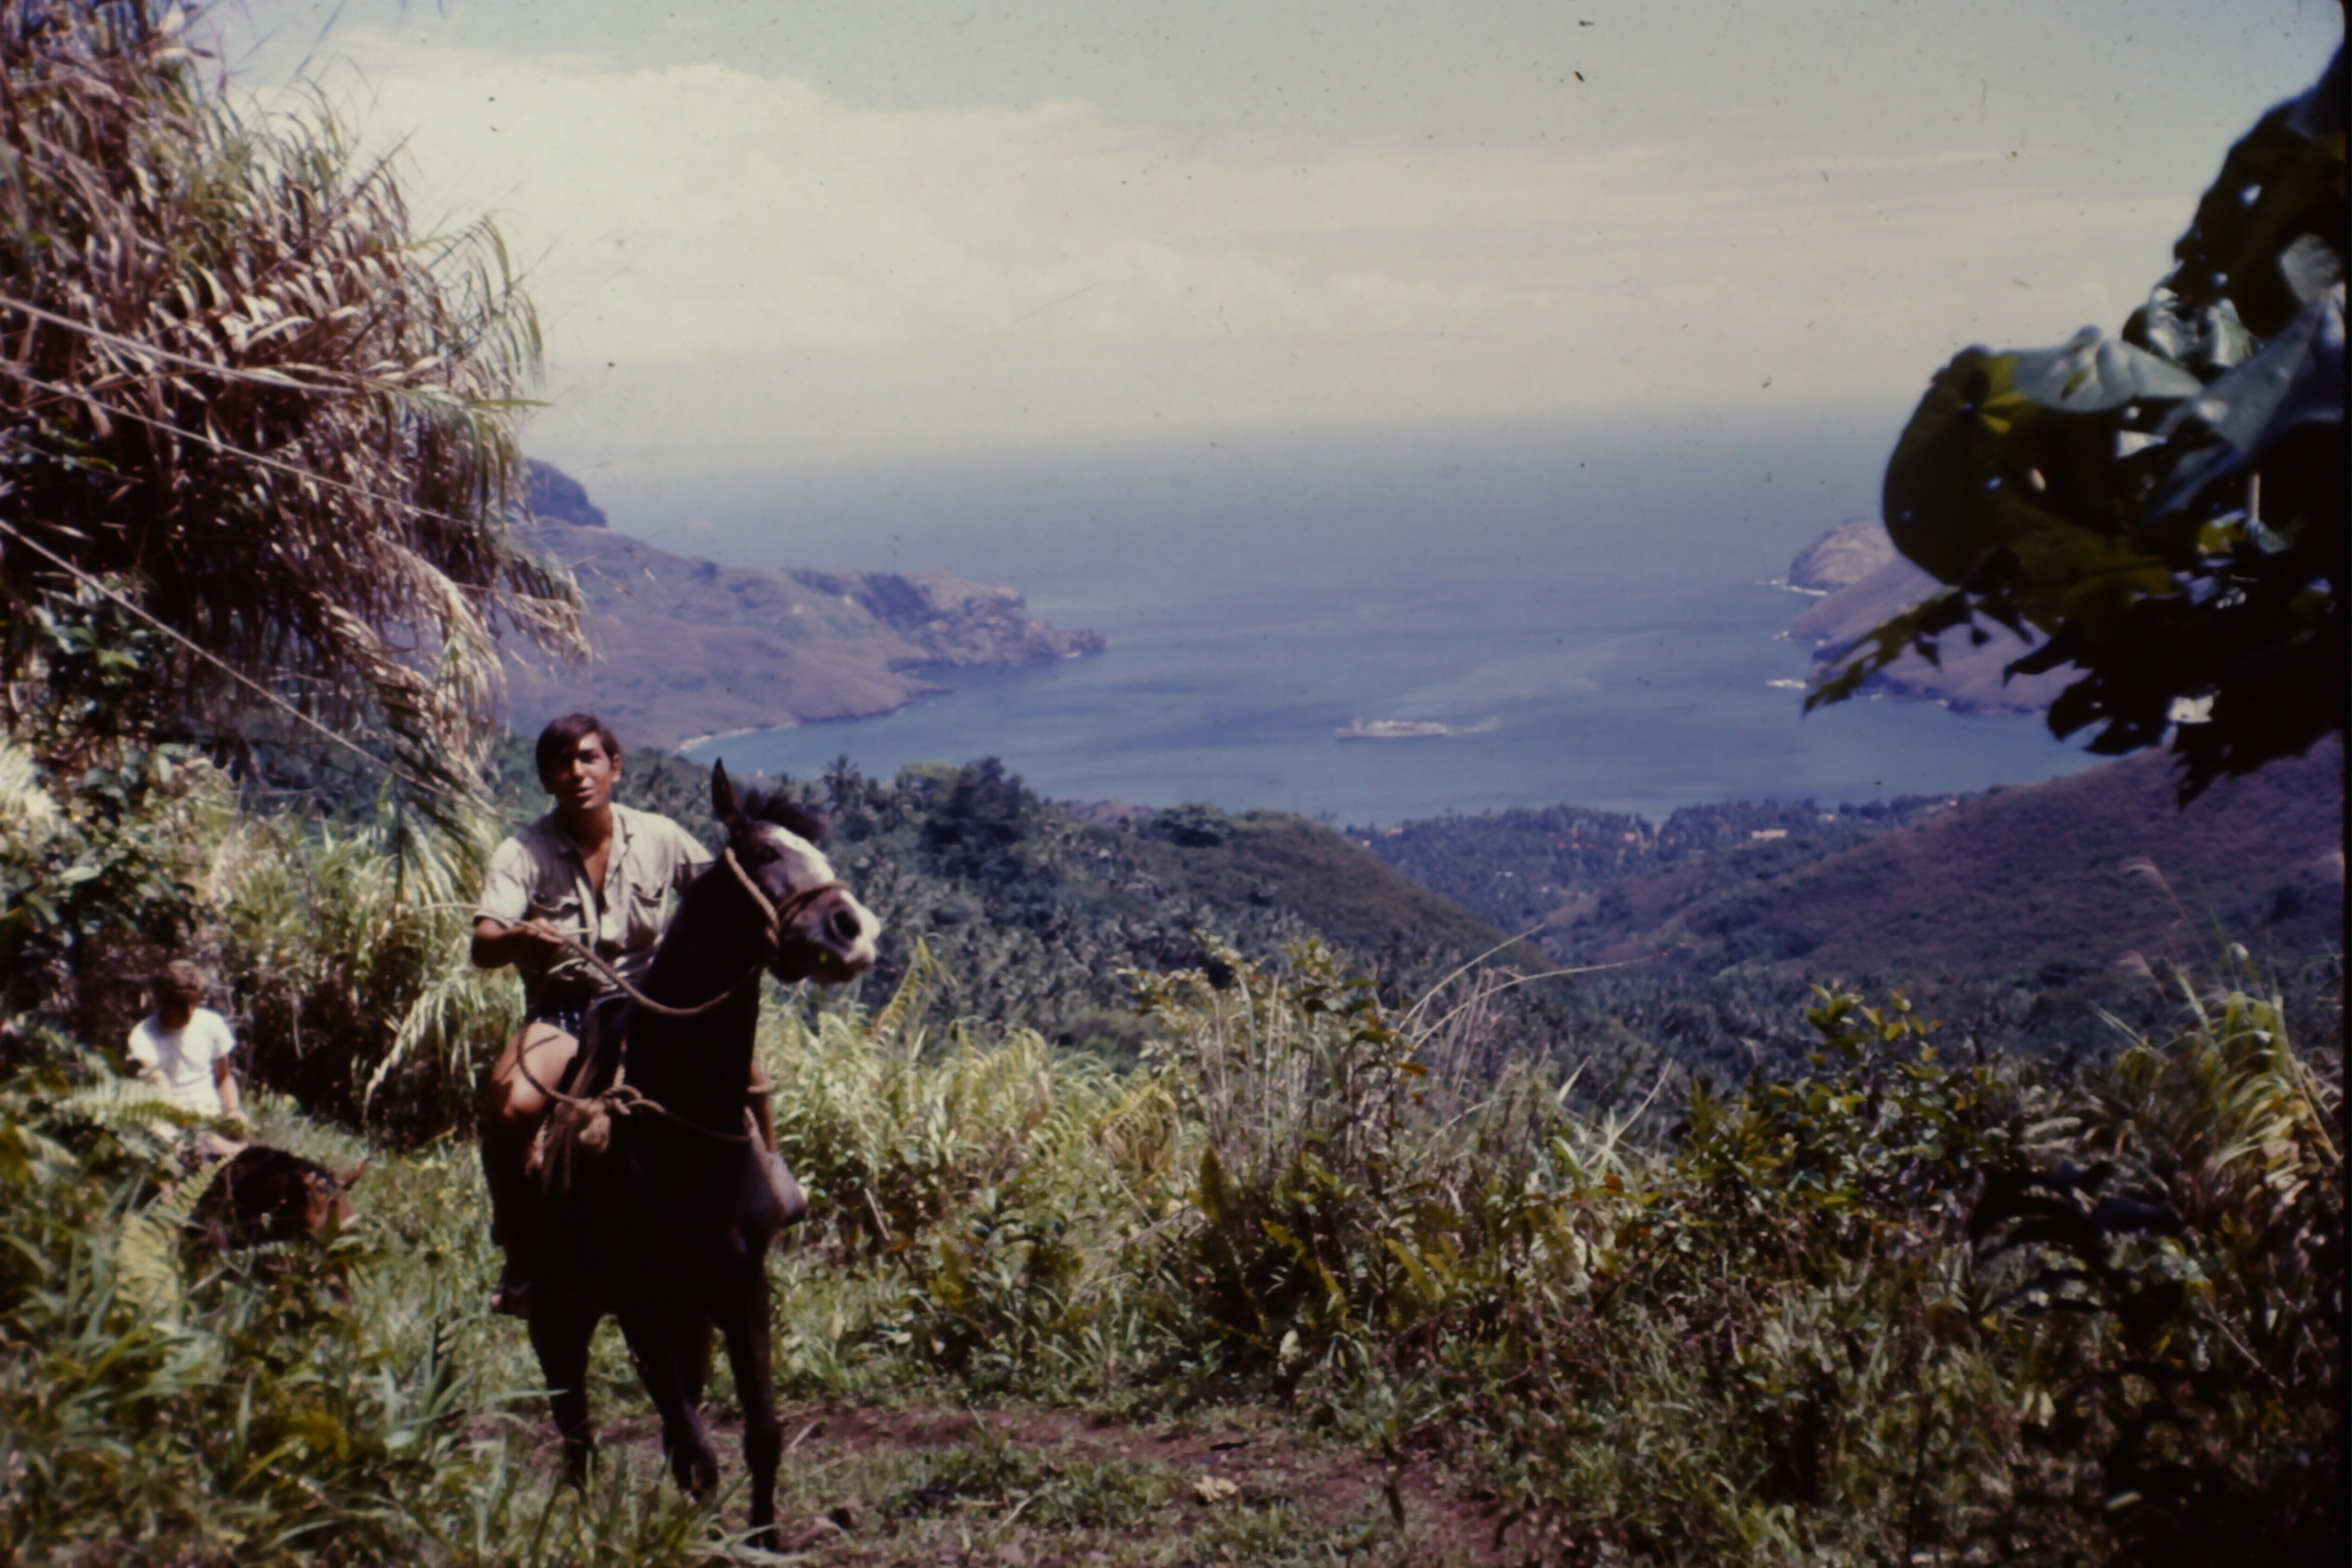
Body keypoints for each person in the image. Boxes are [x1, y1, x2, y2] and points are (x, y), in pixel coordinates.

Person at [472, 713, 713, 1315]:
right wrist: (523, 934)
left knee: (749, 1081)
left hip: (652, 1005)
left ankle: (767, 1205)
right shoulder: (522, 852)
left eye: (588, 758)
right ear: (546, 778)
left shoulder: (660, 835)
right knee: (510, 1104)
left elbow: (714, 895)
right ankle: (519, 1245)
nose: (577, 773)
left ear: (614, 767)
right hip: (566, 1010)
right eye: (562, 763)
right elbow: (484, 945)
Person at [127, 959, 246, 1159]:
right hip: (169, 1124)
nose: (186, 1012)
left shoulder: (211, 1023)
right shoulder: (142, 1037)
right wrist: (206, 1138)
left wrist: (233, 1111)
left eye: (191, 1003)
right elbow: (165, 1101)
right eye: (178, 1006)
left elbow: (224, 1077)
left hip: (211, 1116)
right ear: (162, 1002)